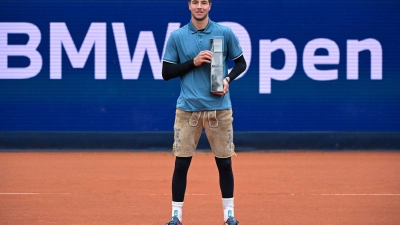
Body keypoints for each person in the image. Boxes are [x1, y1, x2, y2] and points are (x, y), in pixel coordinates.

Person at [162, 0, 247, 224]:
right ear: (189, 5)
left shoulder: (224, 33)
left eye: (204, 2)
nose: (199, 6)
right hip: (187, 111)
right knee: (181, 164)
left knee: (225, 163)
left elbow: (241, 63)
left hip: (219, 111)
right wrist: (194, 61)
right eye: (195, 2)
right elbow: (166, 72)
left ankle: (229, 215)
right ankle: (176, 216)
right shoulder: (177, 36)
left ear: (210, 6)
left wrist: (227, 79)